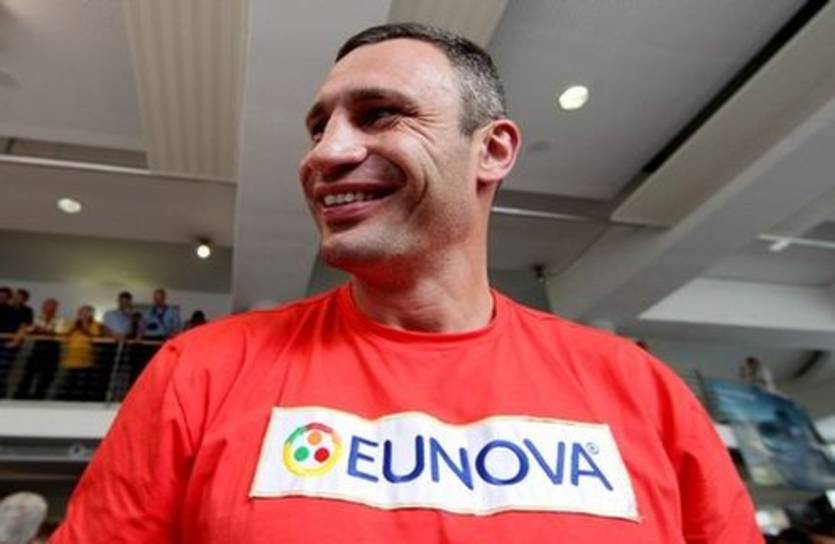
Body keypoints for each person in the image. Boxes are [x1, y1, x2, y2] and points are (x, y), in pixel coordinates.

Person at [53, 23, 761, 542]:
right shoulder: (201, 371)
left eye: (379, 114)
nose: (324, 153)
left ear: (492, 149)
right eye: (317, 128)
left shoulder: (640, 390)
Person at [12, 298, 67, 399]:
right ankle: (20, 396)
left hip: (53, 350)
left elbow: (58, 332)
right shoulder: (37, 318)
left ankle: (38, 397)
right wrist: (41, 329)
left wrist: (41, 329)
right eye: (46, 306)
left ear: (56, 308)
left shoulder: (60, 319)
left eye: (51, 306)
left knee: (47, 377)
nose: (47, 308)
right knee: (28, 373)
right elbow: (30, 329)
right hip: (38, 348)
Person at [50, 305, 102, 401]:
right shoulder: (71, 323)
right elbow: (64, 335)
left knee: (83, 383)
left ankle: (81, 400)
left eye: (86, 313)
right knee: (68, 382)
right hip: (70, 359)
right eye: (81, 312)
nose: (83, 315)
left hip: (85, 360)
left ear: (90, 314)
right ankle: (66, 400)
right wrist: (75, 327)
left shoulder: (95, 324)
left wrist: (84, 324)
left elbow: (94, 336)